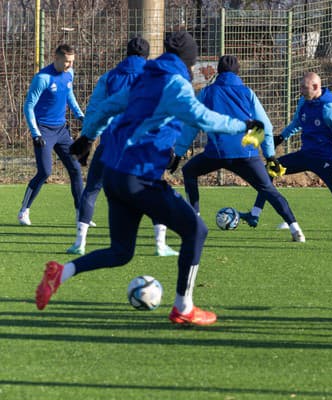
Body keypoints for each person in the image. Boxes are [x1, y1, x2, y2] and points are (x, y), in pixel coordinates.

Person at [35, 31, 265, 327]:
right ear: (189, 60)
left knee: (121, 252)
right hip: (137, 175)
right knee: (196, 230)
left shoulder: (146, 76)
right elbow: (204, 119)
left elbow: (108, 107)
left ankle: (60, 273)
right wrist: (246, 125)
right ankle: (184, 306)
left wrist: (88, 137)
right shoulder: (175, 84)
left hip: (115, 173)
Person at [66, 37, 179, 257]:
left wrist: (88, 139)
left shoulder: (109, 77)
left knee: (91, 190)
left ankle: (79, 243)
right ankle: (160, 244)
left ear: (126, 54)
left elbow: (95, 111)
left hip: (111, 145)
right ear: (148, 56)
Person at [176, 55, 305, 242]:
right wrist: (269, 156)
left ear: (218, 71)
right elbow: (265, 126)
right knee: (268, 189)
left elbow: (192, 124)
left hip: (217, 153)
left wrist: (178, 153)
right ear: (238, 72)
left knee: (189, 171)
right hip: (246, 154)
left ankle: (195, 223)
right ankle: (295, 229)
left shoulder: (207, 92)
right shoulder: (247, 93)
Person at [240, 72, 332, 235]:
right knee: (269, 171)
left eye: (304, 88)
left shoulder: (331, 109)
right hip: (305, 156)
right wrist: (282, 136)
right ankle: (255, 215)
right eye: (300, 87)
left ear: (316, 87)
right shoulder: (304, 102)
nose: (301, 91)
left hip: (325, 160)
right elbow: (298, 122)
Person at [18, 44, 85, 226]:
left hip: (61, 130)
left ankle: (82, 215)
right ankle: (24, 210)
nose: (69, 65)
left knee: (75, 169)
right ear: (56, 58)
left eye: (72, 61)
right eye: (66, 61)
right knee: (45, 171)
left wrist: (80, 115)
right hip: (44, 131)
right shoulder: (43, 78)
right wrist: (35, 133)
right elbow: (29, 106)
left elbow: (69, 95)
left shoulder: (69, 73)